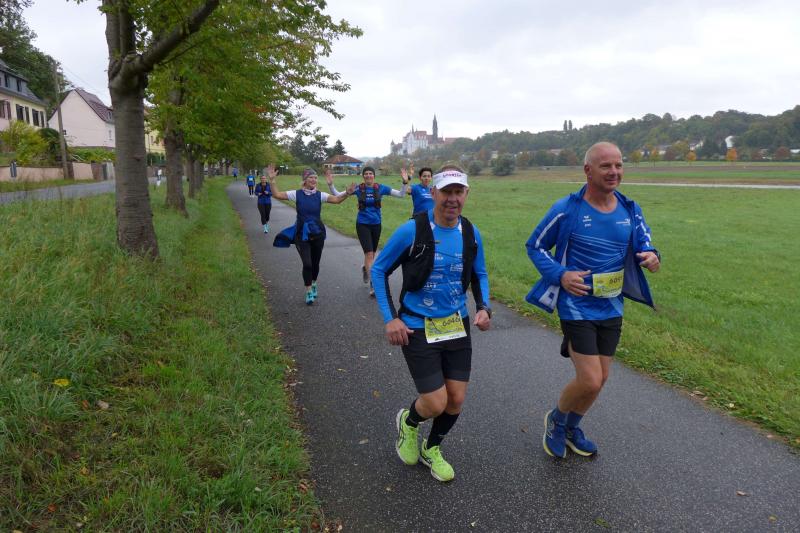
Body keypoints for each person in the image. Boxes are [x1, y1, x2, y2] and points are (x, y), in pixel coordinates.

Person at [525, 141, 661, 459]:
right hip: (577, 305)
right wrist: (560, 274)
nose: (614, 171)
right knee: (590, 378)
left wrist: (652, 256)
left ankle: (572, 427)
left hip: (611, 304)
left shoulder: (630, 209)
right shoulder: (567, 209)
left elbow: (646, 243)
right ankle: (556, 420)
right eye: (606, 166)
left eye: (619, 165)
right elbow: (535, 246)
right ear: (588, 170)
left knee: (601, 380)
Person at [371, 164, 491, 482]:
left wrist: (484, 308)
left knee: (456, 399)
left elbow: (479, 273)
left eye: (458, 192)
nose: (453, 199)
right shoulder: (413, 230)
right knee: (436, 403)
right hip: (416, 325)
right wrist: (390, 319)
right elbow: (379, 269)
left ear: (466, 194)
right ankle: (409, 422)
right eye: (446, 191)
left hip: (455, 324)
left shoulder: (470, 233)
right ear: (433, 192)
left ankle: (432, 448)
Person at [272, 166, 356, 304]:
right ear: (304, 180)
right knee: (307, 264)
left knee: (315, 263)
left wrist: (347, 193)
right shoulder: (296, 194)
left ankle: (314, 282)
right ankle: (309, 290)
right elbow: (277, 195)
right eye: (311, 177)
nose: (314, 180)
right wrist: (272, 180)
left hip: (317, 233)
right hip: (301, 234)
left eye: (315, 178)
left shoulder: (320, 195)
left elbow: (336, 200)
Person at [325, 166, 407, 296]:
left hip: (376, 225)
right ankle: (374, 285)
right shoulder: (358, 188)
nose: (368, 175)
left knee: (372, 255)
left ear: (374, 175)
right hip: (362, 225)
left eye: (370, 173)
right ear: (363, 176)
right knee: (369, 254)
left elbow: (401, 194)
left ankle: (365, 268)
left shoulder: (381, 188)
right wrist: (331, 185)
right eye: (366, 174)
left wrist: (404, 182)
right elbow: (337, 195)